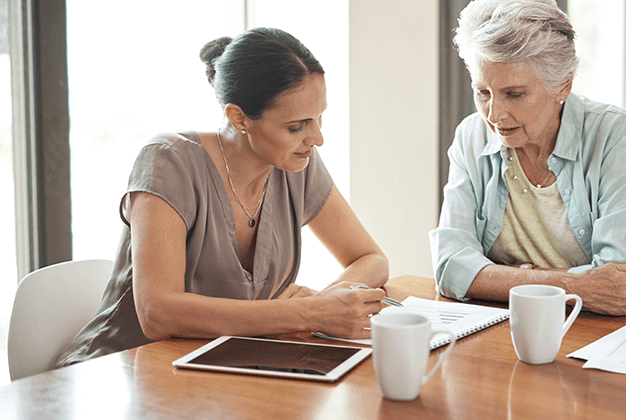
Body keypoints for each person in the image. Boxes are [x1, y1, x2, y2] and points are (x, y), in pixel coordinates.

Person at [56, 27, 389, 367]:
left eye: (319, 118)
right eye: (296, 126)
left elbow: (371, 259)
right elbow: (157, 313)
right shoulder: (169, 161)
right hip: (117, 372)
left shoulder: (296, 165)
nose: (317, 138)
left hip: (220, 372)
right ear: (238, 117)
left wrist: (327, 301)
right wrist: (304, 314)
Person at [429, 0, 626, 317]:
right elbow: (450, 267)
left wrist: (497, 279)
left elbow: (618, 283)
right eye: (482, 92)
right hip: (526, 326)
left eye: (515, 94)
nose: (494, 114)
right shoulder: (472, 136)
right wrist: (574, 286)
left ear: (563, 85)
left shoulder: (615, 136)